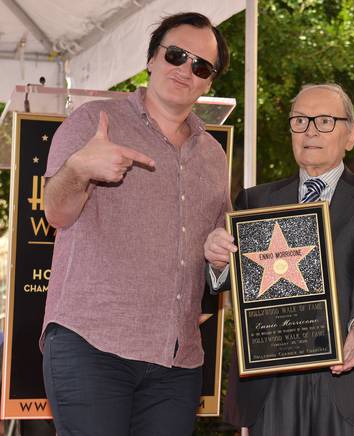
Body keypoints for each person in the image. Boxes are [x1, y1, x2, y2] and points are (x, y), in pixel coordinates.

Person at [40, 12, 230, 436]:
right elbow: (56, 213)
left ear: (209, 82)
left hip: (177, 361)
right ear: (151, 59)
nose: (185, 70)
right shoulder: (93, 123)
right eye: (176, 55)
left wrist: (219, 257)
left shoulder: (215, 158)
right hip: (92, 345)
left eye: (200, 66)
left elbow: (216, 258)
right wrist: (80, 170)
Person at [204, 83, 354, 436]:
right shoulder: (254, 202)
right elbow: (235, 280)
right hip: (272, 382)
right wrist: (218, 262)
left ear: (351, 134)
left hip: (348, 376)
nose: (311, 130)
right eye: (300, 121)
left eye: (325, 121)